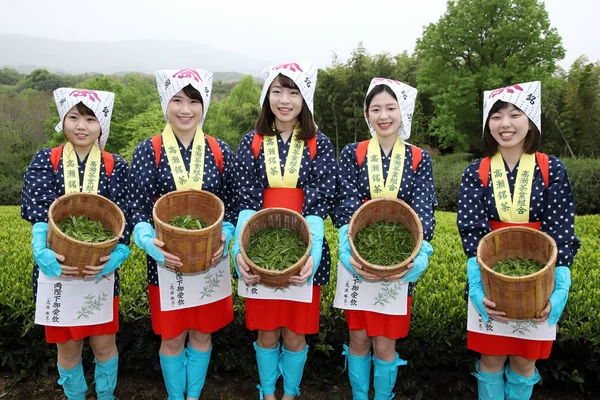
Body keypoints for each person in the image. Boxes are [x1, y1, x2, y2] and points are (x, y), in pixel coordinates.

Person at [458, 81, 581, 400]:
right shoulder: (477, 171)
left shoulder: (551, 168)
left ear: (531, 121)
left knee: (526, 361)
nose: (506, 124)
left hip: (538, 282)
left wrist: (561, 281)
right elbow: (471, 229)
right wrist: (477, 280)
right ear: (488, 125)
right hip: (491, 278)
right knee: (491, 359)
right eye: (497, 116)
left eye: (515, 114)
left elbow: (561, 225)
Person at [128, 69, 237, 400]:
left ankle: (194, 395)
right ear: (166, 103)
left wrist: (228, 232)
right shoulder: (150, 151)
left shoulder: (220, 151)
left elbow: (233, 203)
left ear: (204, 106)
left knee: (203, 334)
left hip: (210, 260)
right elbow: (137, 206)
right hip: (166, 262)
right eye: (177, 100)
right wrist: (147, 240)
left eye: (194, 101)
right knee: (173, 337)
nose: (185, 109)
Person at [231, 62, 337, 399]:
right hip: (261, 249)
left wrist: (313, 249)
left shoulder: (320, 144)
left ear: (305, 99)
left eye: (293, 92)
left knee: (295, 334)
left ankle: (290, 393)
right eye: (277, 91)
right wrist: (241, 250)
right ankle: (267, 392)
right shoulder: (251, 142)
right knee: (265, 333)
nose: (285, 100)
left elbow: (321, 201)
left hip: (303, 249)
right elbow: (244, 199)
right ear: (267, 97)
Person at [21, 88, 130, 400]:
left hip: (101, 269)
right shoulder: (47, 160)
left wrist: (119, 251)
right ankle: (75, 395)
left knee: (104, 344)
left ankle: (106, 395)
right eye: (74, 117)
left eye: (90, 118)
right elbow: (40, 211)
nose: (81, 126)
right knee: (67, 348)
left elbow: (124, 217)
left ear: (101, 125)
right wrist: (40, 247)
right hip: (56, 269)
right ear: (63, 121)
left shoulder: (115, 166)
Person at [333, 78, 436, 399]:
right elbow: (346, 201)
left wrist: (419, 254)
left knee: (385, 342)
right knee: (359, 338)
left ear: (403, 112)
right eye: (375, 109)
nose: (383, 115)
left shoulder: (419, 158)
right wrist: (348, 248)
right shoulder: (354, 153)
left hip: (400, 261)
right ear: (367, 114)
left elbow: (423, 209)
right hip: (358, 258)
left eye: (391, 108)